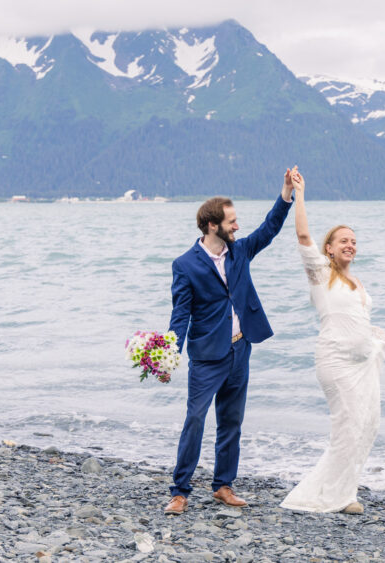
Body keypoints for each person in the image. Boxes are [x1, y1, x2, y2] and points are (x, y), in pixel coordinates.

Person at [164, 169, 295, 515]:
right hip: (207, 356)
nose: (237, 226)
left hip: (241, 348)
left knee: (231, 421)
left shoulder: (240, 252)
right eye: (232, 222)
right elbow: (181, 315)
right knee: (195, 419)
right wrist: (168, 356)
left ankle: (223, 486)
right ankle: (180, 491)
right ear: (212, 226)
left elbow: (270, 228)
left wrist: (285, 193)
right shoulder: (185, 265)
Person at [280, 168, 385, 514]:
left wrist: (372, 337)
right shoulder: (321, 274)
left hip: (361, 365)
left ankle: (346, 489)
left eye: (354, 241)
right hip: (336, 362)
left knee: (367, 425)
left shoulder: (357, 283)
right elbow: (301, 235)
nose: (350, 245)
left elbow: (357, 319)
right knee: (347, 426)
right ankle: (329, 496)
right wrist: (299, 193)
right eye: (343, 240)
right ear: (328, 248)